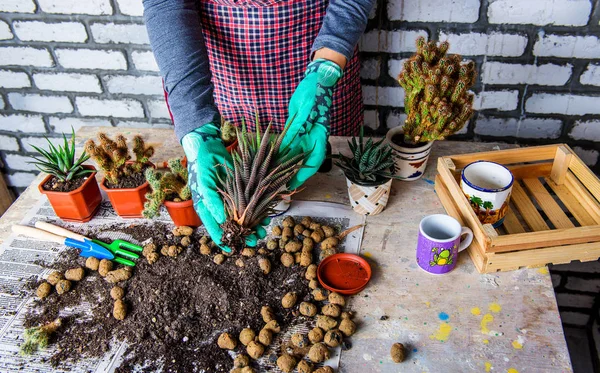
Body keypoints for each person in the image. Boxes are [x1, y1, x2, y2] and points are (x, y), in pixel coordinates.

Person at [143, 0, 376, 249]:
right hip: (227, 73)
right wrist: (198, 132)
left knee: (329, 159)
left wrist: (325, 69)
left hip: (319, 52)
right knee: (241, 161)